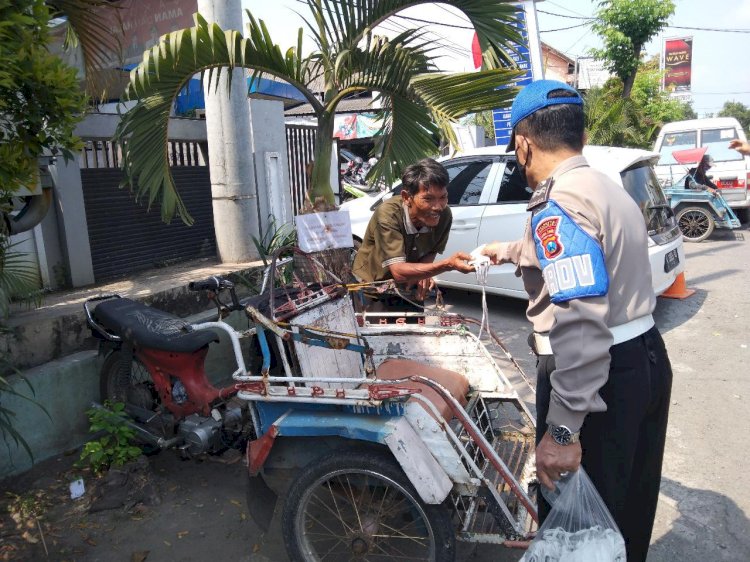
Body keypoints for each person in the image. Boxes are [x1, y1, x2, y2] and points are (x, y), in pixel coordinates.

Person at [481, 80, 673, 562]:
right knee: (626, 512)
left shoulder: (558, 202)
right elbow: (578, 257)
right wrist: (503, 251)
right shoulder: (605, 186)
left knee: (583, 531)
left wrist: (563, 431)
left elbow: (583, 324)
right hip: (644, 358)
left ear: (523, 144)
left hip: (598, 377)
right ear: (580, 136)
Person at [352, 158, 474, 304]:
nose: (438, 206)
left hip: (409, 288)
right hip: (371, 288)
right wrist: (448, 264)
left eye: (443, 197)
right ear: (406, 197)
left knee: (413, 325)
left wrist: (423, 274)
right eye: (428, 199)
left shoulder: (444, 215)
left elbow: (431, 250)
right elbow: (398, 271)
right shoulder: (388, 214)